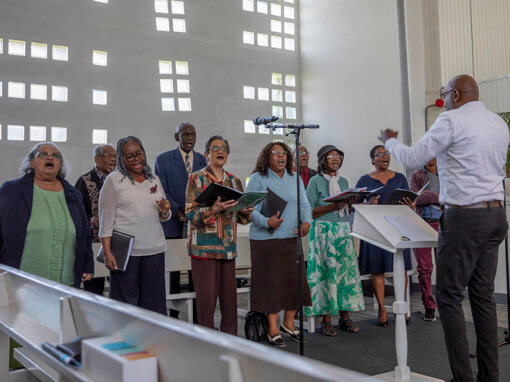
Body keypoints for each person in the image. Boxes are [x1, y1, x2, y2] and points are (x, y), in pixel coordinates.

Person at [380, 74, 508, 382]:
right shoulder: (498, 124)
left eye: (444, 95)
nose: (443, 101)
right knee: (483, 296)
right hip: (496, 216)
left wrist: (390, 140)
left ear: (455, 94)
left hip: (464, 219)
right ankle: (489, 377)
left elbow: (413, 158)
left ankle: (463, 378)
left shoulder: (450, 121)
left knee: (449, 296)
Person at [0, 142, 94, 288]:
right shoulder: (12, 190)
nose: (50, 158)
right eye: (43, 154)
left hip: (66, 281)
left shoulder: (73, 194)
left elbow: (84, 233)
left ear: (60, 164)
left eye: (55, 155)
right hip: (22, 280)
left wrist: (88, 264)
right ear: (32, 163)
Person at [247, 142, 313, 348]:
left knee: (295, 281)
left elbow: (304, 204)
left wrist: (307, 222)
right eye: (275, 153)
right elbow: (249, 208)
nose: (280, 156)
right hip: (265, 239)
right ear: (267, 156)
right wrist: (266, 222)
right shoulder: (258, 178)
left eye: (283, 153)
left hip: (291, 237)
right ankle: (272, 327)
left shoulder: (294, 178)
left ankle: (289, 322)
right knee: (271, 284)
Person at [184, 135, 252, 335]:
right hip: (204, 248)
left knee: (229, 302)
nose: (220, 151)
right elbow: (190, 213)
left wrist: (246, 212)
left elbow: (239, 216)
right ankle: (206, 341)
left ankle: (231, 340)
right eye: (215, 148)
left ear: (228, 154)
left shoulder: (234, 181)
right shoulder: (196, 178)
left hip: (228, 248)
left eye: (224, 148)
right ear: (206, 154)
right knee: (206, 301)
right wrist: (212, 209)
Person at [99, 136, 171, 314]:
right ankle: (126, 339)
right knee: (126, 303)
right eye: (129, 156)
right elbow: (106, 220)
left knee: (154, 303)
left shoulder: (153, 179)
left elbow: (164, 216)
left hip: (154, 249)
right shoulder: (114, 180)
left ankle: (152, 340)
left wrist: (165, 210)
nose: (136, 159)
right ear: (121, 159)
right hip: (125, 252)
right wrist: (107, 252)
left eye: (138, 154)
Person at [305, 145, 364, 336]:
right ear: (323, 159)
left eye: (339, 156)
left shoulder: (344, 181)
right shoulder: (314, 181)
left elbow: (345, 208)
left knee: (345, 274)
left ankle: (345, 316)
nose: (336, 159)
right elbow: (309, 211)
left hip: (343, 229)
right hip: (323, 230)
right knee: (326, 273)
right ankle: (326, 319)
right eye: (332, 156)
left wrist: (355, 202)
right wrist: (332, 207)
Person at [355, 145, 412, 327]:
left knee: (401, 267)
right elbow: (354, 205)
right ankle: (382, 308)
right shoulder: (364, 180)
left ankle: (402, 306)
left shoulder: (400, 178)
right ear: (373, 159)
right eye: (380, 154)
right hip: (375, 228)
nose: (385, 156)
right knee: (377, 269)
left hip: (397, 227)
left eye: (387, 153)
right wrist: (368, 203)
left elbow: (410, 200)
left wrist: (410, 205)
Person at [155, 121, 207, 319]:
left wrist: (197, 213)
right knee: (174, 269)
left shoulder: (203, 160)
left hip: (198, 223)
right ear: (176, 136)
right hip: (173, 223)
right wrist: (178, 212)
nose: (190, 138)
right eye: (185, 134)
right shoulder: (164, 160)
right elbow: (162, 190)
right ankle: (172, 314)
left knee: (197, 267)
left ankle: (197, 312)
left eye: (193, 134)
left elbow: (207, 189)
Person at [75, 144, 117, 295]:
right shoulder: (84, 181)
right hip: (94, 244)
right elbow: (77, 214)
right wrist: (93, 219)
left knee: (119, 286)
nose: (113, 159)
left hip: (118, 243)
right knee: (94, 290)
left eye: (115, 156)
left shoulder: (121, 180)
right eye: (108, 155)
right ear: (96, 159)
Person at [410, 158, 440, 321]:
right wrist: (437, 196)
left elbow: (454, 197)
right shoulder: (417, 175)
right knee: (425, 269)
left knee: (446, 267)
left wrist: (426, 195)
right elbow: (414, 199)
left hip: (445, 224)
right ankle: (429, 306)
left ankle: (446, 305)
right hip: (421, 224)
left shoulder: (447, 172)